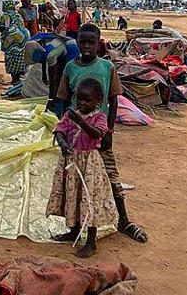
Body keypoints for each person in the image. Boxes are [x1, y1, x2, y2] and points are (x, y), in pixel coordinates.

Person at [56, 23, 148, 244]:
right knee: (76, 182)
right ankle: (74, 226)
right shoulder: (70, 67)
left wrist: (109, 131)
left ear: (99, 43)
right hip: (77, 138)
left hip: (98, 134)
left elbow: (113, 99)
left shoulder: (107, 67)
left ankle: (123, 220)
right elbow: (64, 101)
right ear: (77, 42)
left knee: (110, 177)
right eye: (82, 42)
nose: (86, 46)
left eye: (91, 42)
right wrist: (62, 132)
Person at [47, 78, 118, 258]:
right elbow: (59, 130)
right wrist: (63, 144)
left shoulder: (99, 117)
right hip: (72, 162)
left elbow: (97, 133)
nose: (82, 103)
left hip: (89, 164)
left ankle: (91, 241)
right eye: (80, 99)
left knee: (89, 198)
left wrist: (81, 122)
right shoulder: (71, 114)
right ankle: (73, 230)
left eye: (87, 100)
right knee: (73, 195)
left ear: (98, 101)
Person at [0, 2, 31, 84]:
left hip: (12, 41)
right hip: (24, 39)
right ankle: (20, 79)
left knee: (11, 59)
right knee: (20, 59)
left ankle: (14, 79)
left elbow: (5, 28)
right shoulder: (18, 16)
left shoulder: (5, 16)